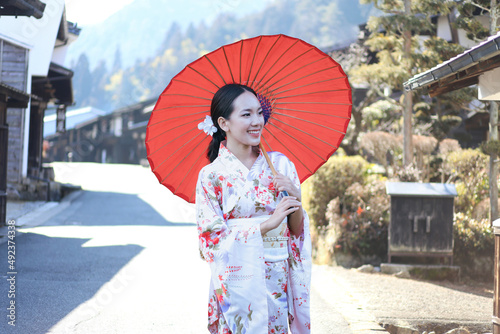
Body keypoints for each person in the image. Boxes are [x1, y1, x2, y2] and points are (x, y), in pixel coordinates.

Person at [195, 83, 312, 334]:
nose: (257, 121)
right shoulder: (211, 175)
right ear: (224, 123)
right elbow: (211, 240)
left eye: (259, 112)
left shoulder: (281, 165)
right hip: (236, 276)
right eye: (246, 114)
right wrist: (267, 224)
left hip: (276, 271)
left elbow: (296, 230)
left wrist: (296, 198)